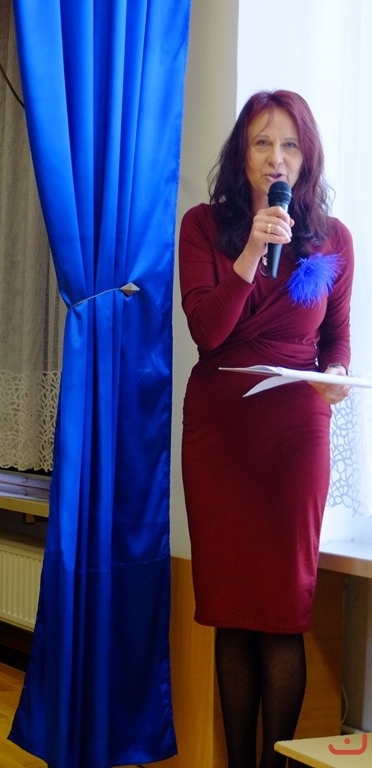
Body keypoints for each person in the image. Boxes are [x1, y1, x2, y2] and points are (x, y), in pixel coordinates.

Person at [179, 90, 353, 768]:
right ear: (241, 154)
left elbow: (336, 339)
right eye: (261, 142)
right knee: (232, 611)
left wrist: (336, 373)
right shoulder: (203, 226)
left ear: (306, 157)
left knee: (282, 612)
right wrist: (252, 248)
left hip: (294, 433)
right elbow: (208, 331)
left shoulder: (334, 238)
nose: (275, 157)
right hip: (221, 431)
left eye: (288, 144)